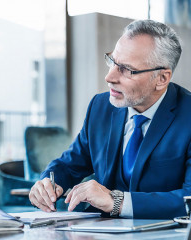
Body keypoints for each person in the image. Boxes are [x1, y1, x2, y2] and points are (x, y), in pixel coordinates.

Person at [29, 19, 191, 219]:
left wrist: (117, 202)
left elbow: (189, 198)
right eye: (112, 62)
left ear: (162, 79)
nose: (109, 77)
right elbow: (70, 164)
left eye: (126, 69)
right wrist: (48, 183)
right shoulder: (100, 107)